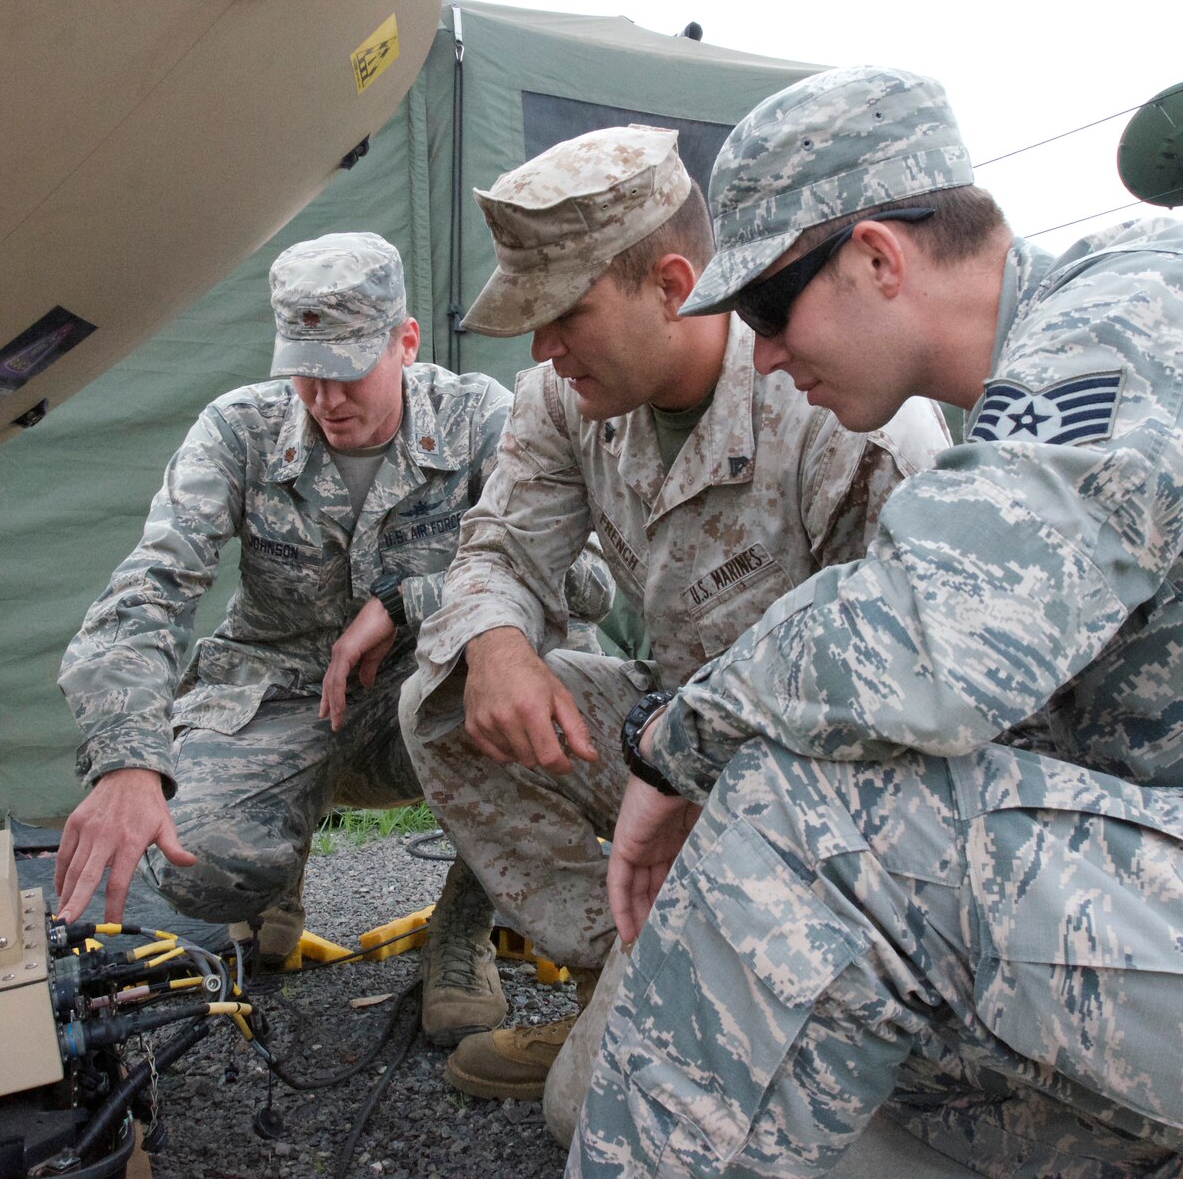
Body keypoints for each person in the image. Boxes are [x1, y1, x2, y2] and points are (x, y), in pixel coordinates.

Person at [576, 66, 1183, 1177]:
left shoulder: (1139, 300)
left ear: (876, 258)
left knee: (827, 820)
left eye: (765, 308)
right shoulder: (1022, 408)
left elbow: (931, 643)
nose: (760, 354)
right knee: (850, 1049)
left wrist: (672, 738)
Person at [399, 125, 951, 1109]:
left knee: (581, 1116)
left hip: (817, 813)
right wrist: (494, 639)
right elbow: (498, 548)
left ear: (670, 281)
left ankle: (722, 1004)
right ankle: (622, 965)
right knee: (442, 696)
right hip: (673, 756)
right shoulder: (566, 397)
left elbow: (911, 724)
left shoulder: (839, 412)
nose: (539, 345)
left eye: (563, 311)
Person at [53, 231, 611, 1048]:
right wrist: (128, 759)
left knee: (553, 668)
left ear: (406, 342)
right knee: (195, 864)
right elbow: (149, 586)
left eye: (349, 369)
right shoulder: (239, 430)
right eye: (304, 369)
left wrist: (408, 599)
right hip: (282, 696)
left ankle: (466, 918)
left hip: (427, 696)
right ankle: (281, 859)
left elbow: (585, 581)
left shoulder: (480, 417)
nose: (325, 397)